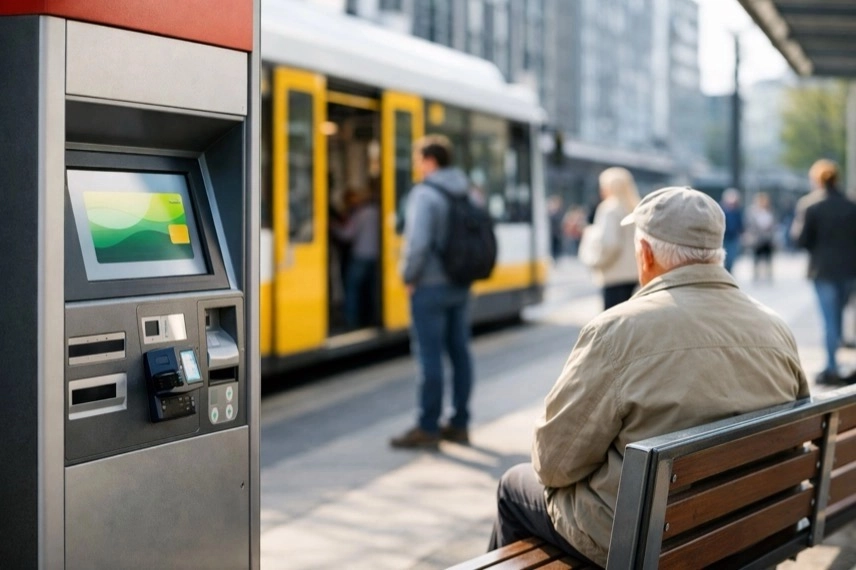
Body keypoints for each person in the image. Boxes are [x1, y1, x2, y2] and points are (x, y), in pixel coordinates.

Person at [489, 186, 809, 567]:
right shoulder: (776, 329)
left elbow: (554, 464)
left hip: (648, 541)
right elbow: (795, 439)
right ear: (716, 253)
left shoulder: (618, 330)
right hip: (752, 526)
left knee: (514, 485)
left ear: (645, 254)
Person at [390, 134, 474, 449]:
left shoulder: (426, 194)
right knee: (460, 352)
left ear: (429, 160)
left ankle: (428, 426)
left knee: (430, 357)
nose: (416, 165)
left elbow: (418, 243)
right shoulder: (466, 190)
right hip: (460, 283)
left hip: (430, 285)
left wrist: (408, 276)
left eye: (417, 159)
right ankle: (460, 422)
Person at [794, 159, 856, 385]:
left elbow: (801, 239)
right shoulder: (851, 204)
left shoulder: (810, 205)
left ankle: (831, 365)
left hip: (822, 270)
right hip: (850, 270)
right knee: (840, 316)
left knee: (829, 319)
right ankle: (838, 362)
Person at [578, 167, 640, 310]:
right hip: (635, 276)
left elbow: (609, 243)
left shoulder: (609, 208)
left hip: (614, 276)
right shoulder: (636, 207)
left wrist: (595, 261)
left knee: (613, 324)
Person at [330, 187, 380, 329]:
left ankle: (351, 321)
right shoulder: (377, 212)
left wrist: (333, 227)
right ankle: (373, 318)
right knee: (372, 290)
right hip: (375, 257)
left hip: (360, 256)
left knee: (352, 290)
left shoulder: (359, 215)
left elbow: (347, 235)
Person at [744, 191, 776, 282]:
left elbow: (774, 224)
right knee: (756, 259)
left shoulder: (770, 211)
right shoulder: (752, 212)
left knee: (768, 259)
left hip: (767, 239)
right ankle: (756, 276)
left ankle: (768, 276)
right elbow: (749, 225)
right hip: (757, 239)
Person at [720, 187, 744, 273]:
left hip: (733, 237)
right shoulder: (721, 210)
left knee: (732, 257)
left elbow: (740, 225)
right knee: (723, 258)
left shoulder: (737, 211)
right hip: (723, 237)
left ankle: (729, 272)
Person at [547, 195, 565, 262]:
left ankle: (556, 258)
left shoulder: (559, 212)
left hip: (557, 233)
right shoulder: (551, 213)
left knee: (557, 247)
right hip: (553, 233)